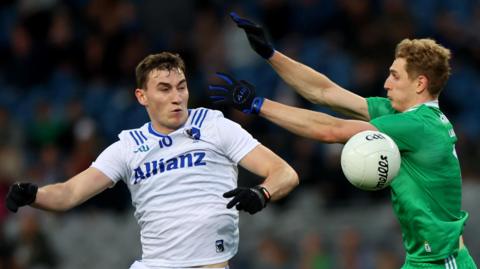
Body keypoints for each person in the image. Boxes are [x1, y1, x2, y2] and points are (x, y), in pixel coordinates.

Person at [207, 13, 478, 268]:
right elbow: (324, 91)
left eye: (395, 76)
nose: (386, 83)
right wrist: (271, 54)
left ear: (420, 84)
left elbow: (331, 130)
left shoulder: (416, 125)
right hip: (424, 259)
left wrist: (258, 104)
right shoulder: (406, 115)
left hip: (443, 262)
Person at [5, 52, 299, 269]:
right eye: (164, 88)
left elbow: (284, 172)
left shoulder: (215, 126)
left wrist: (262, 193)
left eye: (181, 86)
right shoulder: (128, 145)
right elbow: (69, 194)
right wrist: (34, 194)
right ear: (142, 96)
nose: (177, 97)